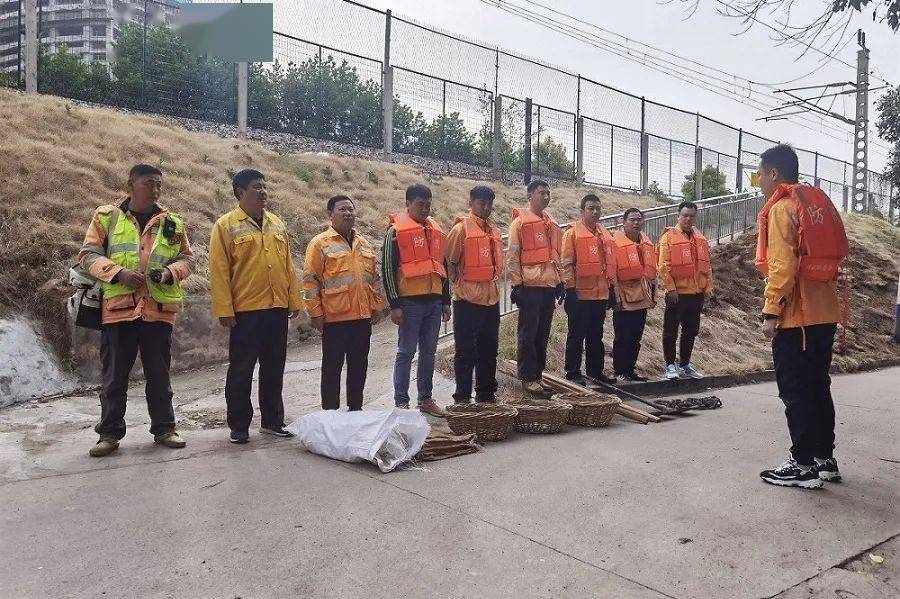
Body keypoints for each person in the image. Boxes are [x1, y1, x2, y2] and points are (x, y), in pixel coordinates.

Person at [77, 164, 194, 457]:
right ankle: (109, 434)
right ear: (131, 183)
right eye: (149, 183)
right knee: (114, 376)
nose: (155, 189)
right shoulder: (107, 217)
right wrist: (118, 273)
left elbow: (187, 260)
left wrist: (169, 273)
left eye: (159, 184)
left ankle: (165, 428)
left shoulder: (172, 222)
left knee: (159, 374)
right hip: (119, 310)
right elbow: (87, 256)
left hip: (157, 310)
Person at [754, 144, 848, 489]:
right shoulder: (812, 202)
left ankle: (803, 464)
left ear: (774, 174)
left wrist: (770, 309)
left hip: (798, 317)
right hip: (825, 313)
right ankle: (825, 459)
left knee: (795, 391)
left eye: (760, 175)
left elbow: (782, 265)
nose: (759, 181)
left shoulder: (782, 208)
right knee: (818, 386)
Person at [209, 169, 302, 444]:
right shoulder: (225, 226)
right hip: (246, 311)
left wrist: (293, 300)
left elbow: (287, 265)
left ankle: (273, 421)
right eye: (256, 188)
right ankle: (239, 425)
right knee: (241, 369)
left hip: (276, 307)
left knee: (274, 368)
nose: (263, 193)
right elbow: (219, 270)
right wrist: (225, 310)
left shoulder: (277, 224)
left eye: (265, 187)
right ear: (240, 193)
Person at [303, 195, 384, 411]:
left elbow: (374, 279)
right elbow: (310, 281)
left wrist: (376, 305)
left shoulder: (364, 244)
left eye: (351, 209)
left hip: (361, 318)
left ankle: (355, 410)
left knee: (359, 368)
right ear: (331, 215)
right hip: (334, 319)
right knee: (332, 369)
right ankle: (330, 415)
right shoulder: (319, 243)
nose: (348, 213)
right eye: (342, 210)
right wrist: (315, 314)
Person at [382, 184, 450, 417]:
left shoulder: (435, 229)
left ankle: (425, 398)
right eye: (420, 204)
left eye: (428, 205)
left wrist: (445, 301)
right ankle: (401, 402)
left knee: (429, 352)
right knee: (405, 352)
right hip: (409, 304)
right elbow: (388, 269)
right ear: (408, 204)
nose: (425, 209)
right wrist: (395, 304)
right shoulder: (395, 232)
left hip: (433, 303)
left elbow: (443, 267)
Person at [446, 186, 504, 404]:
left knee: (489, 350)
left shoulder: (494, 231)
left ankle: (485, 395)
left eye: (490, 203)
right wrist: (458, 285)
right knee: (465, 352)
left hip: (492, 299)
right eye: (481, 203)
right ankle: (462, 397)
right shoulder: (461, 229)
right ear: (471, 203)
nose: (486, 207)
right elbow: (450, 262)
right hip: (467, 301)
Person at [507, 179, 563, 396]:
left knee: (542, 334)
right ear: (530, 196)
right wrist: (517, 284)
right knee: (528, 334)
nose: (546, 197)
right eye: (542, 193)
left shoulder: (552, 223)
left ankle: (538, 375)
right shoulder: (519, 223)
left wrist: (559, 281)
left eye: (548, 193)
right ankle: (527, 377)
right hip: (529, 286)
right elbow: (513, 256)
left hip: (548, 286)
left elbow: (555, 256)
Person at [560, 194, 617, 386]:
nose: (595, 212)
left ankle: (595, 372)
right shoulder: (572, 234)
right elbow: (566, 264)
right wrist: (570, 290)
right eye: (591, 208)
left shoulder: (604, 234)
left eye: (598, 209)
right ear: (582, 211)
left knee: (596, 336)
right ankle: (572, 372)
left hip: (599, 294)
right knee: (576, 335)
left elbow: (608, 264)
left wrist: (611, 290)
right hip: (580, 295)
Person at [657, 201, 713, 380]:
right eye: (685, 215)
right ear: (678, 216)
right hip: (677, 294)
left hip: (696, 294)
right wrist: (670, 288)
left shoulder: (700, 238)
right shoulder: (669, 237)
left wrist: (707, 288)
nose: (688, 219)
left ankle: (685, 364)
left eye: (691, 216)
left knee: (691, 330)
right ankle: (670, 365)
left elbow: (707, 265)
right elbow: (664, 266)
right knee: (670, 331)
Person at [611, 207, 657, 382]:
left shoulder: (646, 243)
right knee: (622, 335)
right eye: (632, 219)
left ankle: (630, 369)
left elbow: (652, 273)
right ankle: (619, 370)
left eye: (639, 219)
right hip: (623, 294)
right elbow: (612, 271)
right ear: (624, 222)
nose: (636, 222)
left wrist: (653, 296)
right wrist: (615, 296)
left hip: (642, 295)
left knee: (636, 336)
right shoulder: (614, 242)